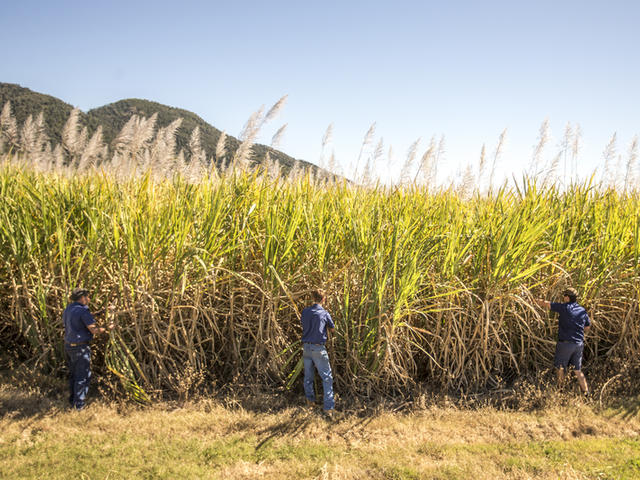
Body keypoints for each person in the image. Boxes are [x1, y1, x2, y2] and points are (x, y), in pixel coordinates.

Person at [63, 288, 114, 410]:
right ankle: (78, 406)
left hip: (69, 346)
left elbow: (81, 319)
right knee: (83, 375)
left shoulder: (69, 309)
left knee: (74, 375)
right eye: (87, 297)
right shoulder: (83, 311)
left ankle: (72, 400)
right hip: (80, 348)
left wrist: (101, 312)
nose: (89, 299)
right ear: (82, 298)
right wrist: (108, 328)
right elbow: (94, 330)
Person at [535, 287, 591, 395]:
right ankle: (586, 393)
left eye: (564, 296)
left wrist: (531, 300)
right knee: (577, 370)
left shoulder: (564, 308)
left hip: (565, 344)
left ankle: (560, 391)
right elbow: (587, 328)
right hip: (579, 344)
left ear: (567, 297)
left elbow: (546, 304)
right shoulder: (582, 311)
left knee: (560, 368)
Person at [301, 289, 335, 417]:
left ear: (312, 298)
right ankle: (328, 408)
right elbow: (332, 329)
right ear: (324, 299)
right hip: (318, 348)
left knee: (308, 377)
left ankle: (310, 402)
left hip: (306, 348)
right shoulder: (324, 313)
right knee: (327, 378)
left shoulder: (305, 312)